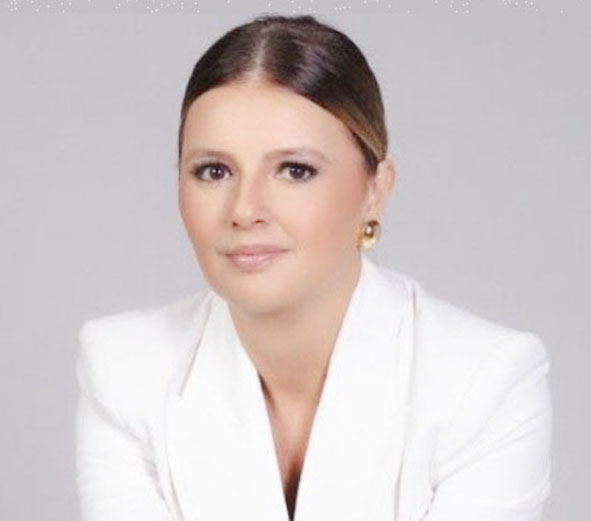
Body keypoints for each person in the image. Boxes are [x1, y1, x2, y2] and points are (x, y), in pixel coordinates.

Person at [75, 13, 552, 521]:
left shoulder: (484, 381)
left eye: (295, 170)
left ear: (375, 190)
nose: (244, 210)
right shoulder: (124, 370)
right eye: (213, 171)